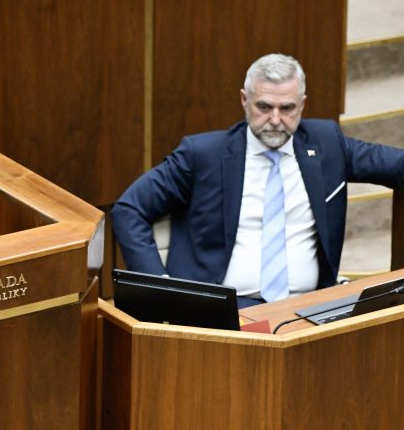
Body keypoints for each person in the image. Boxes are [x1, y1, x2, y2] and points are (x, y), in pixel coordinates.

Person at [112, 53, 404, 307]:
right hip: (223, 309)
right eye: (264, 107)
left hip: (306, 307)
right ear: (244, 100)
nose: (275, 120)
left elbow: (395, 165)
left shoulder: (327, 143)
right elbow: (130, 208)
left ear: (302, 105)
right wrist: (160, 288)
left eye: (287, 108)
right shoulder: (202, 154)